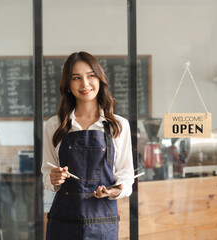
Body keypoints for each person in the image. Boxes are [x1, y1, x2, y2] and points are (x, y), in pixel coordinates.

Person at [41, 51, 134, 240]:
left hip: (103, 223)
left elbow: (126, 174)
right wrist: (53, 178)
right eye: (76, 78)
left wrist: (115, 190)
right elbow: (46, 173)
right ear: (68, 85)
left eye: (91, 76)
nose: (85, 84)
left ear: (100, 79)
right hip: (63, 222)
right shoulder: (54, 125)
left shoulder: (119, 125)